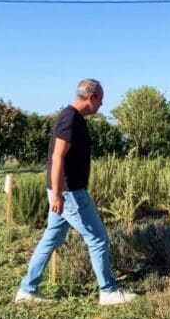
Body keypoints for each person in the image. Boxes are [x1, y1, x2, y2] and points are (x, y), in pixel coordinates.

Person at [14, 79, 135, 305]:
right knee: (98, 239)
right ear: (91, 97)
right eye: (100, 99)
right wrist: (59, 195)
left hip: (65, 192)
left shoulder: (72, 118)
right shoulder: (70, 119)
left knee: (52, 238)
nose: (101, 104)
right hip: (70, 193)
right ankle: (108, 291)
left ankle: (27, 290)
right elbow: (57, 157)